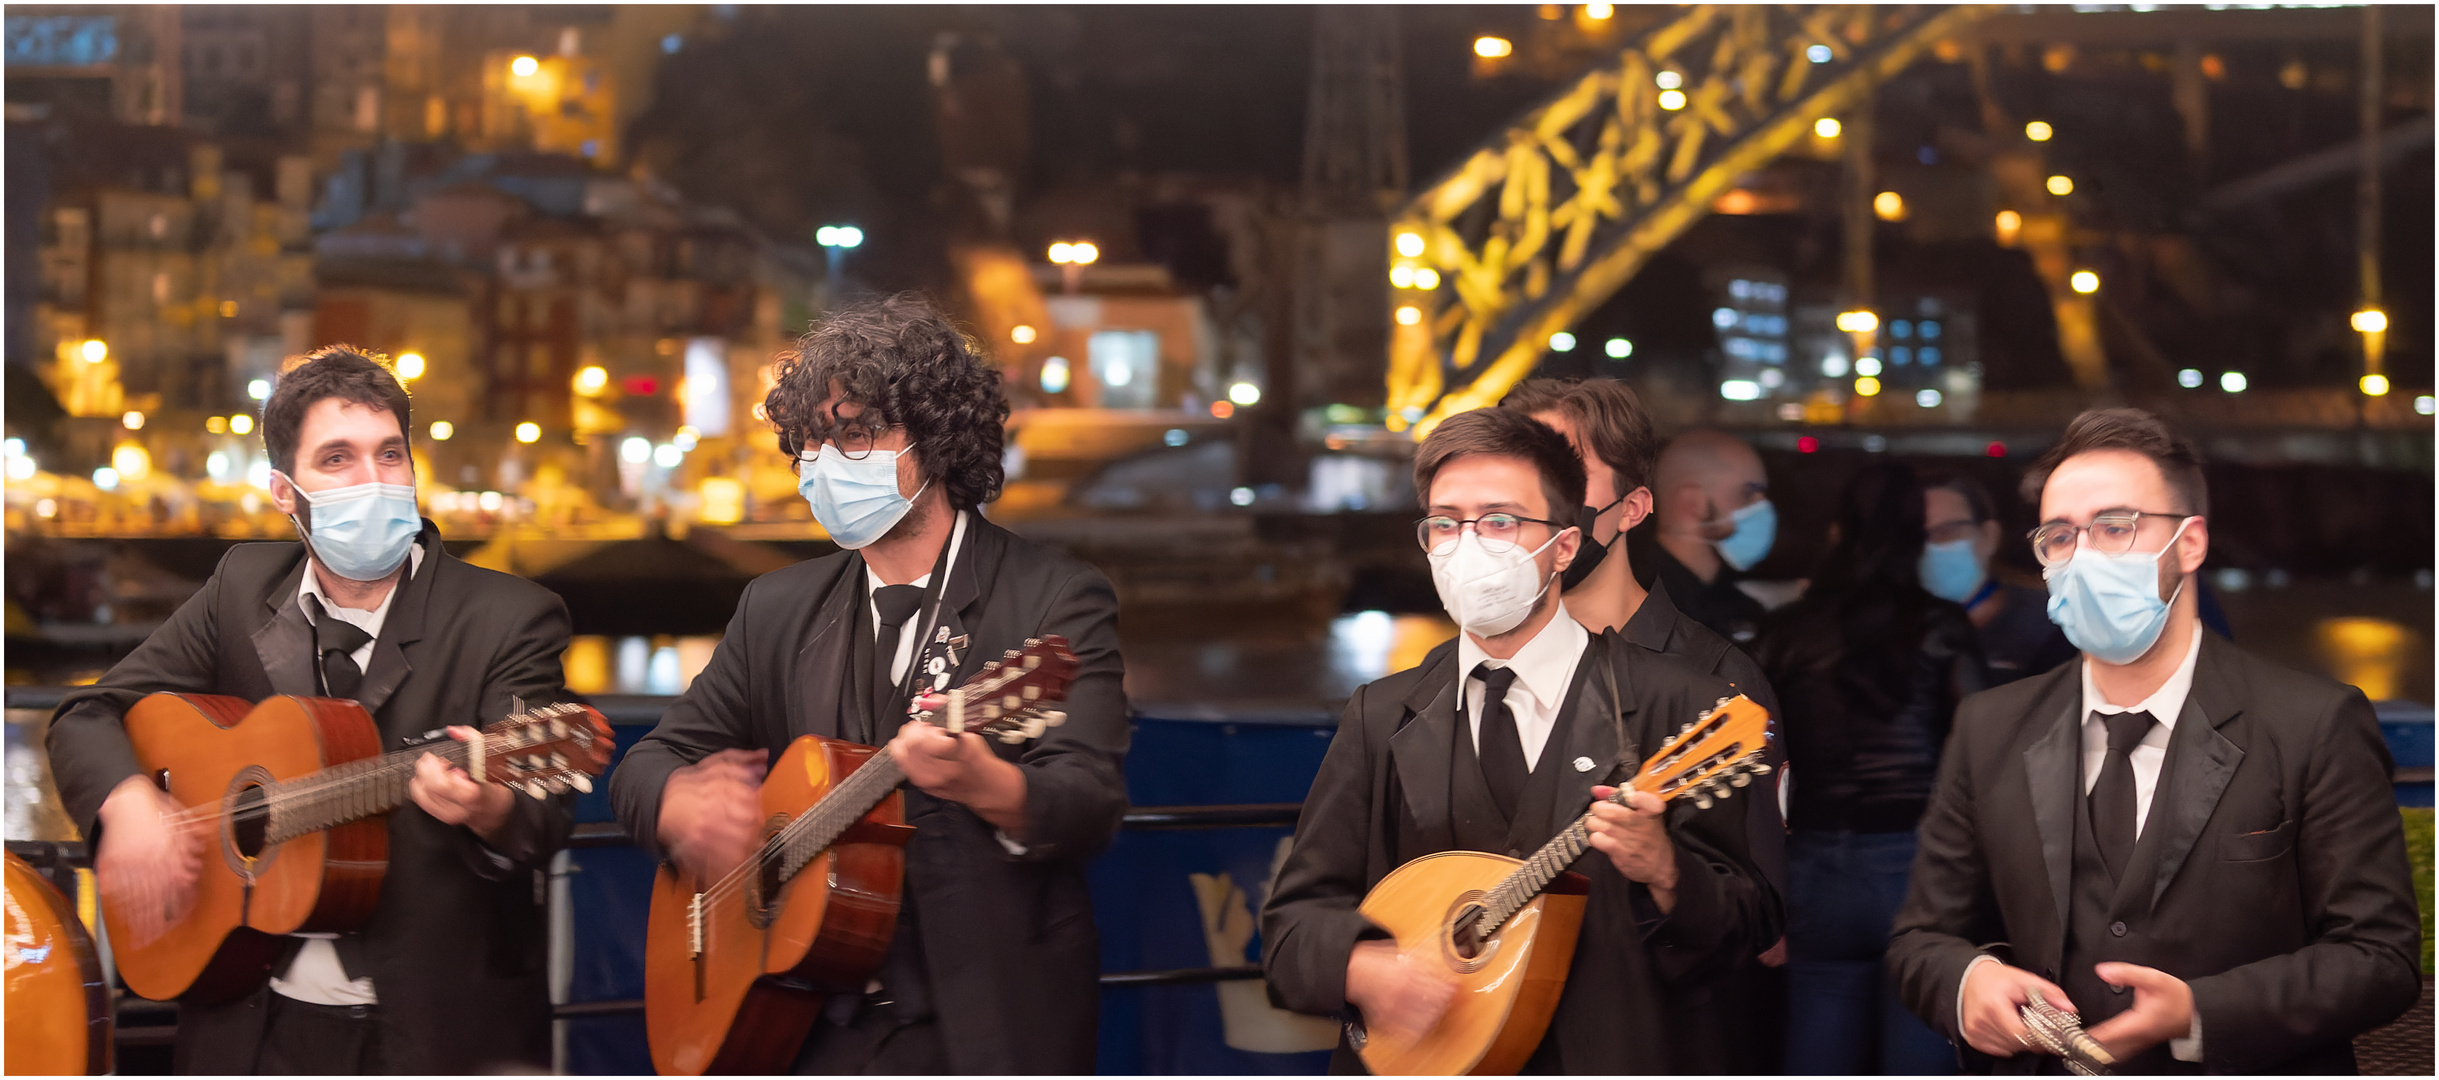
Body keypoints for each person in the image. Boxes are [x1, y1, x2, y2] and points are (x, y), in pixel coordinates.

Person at [607, 296, 1127, 1074]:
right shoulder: (776, 607)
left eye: (855, 434)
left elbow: (1087, 802)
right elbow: (650, 763)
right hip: (802, 1021)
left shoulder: (1055, 597)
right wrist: (677, 803)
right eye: (810, 441)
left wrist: (991, 785)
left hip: (981, 1022)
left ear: (938, 439)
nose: (823, 463)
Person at [44, 347, 576, 1074]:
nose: (374, 481)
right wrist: (130, 802)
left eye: (390, 455)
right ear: (284, 492)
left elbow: (542, 817)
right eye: (338, 459)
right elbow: (90, 712)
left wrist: (487, 806)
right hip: (249, 1020)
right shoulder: (240, 584)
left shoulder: (509, 615)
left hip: (432, 1028)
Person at [1888, 408, 2421, 1073]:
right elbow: (1921, 937)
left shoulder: (2312, 722)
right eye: (2058, 537)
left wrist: (2199, 1013)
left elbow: (2378, 956)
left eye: (2114, 528)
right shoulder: (1989, 726)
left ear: (2190, 544)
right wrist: (1965, 982)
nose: (2080, 557)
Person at [1261, 407, 1782, 1074]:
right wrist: (1362, 965)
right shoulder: (1382, 714)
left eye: (1500, 521)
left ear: (1564, 545)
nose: (1467, 545)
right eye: (1445, 523)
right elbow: (1290, 927)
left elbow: (1753, 928)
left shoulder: (1678, 704)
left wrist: (1666, 871)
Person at [1500, 377, 1790, 1073]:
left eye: (1565, 475)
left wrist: (1667, 872)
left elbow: (1761, 926)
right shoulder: (1464, 673)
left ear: (1631, 508)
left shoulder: (1719, 684)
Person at [1756, 461, 1990, 1075]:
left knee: (1817, 1046)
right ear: (1914, 537)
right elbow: (1982, 752)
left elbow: (1758, 761)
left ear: (1837, 531)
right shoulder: (1941, 626)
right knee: (1919, 1044)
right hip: (1918, 864)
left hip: (1814, 861)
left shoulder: (1786, 631)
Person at [1920, 471, 2076, 684]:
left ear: (1989, 536)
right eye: (1918, 536)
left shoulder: (2051, 618)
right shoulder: (1895, 627)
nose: (1932, 547)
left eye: (1948, 531)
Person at [1629, 428, 1773, 644]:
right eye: (1746, 494)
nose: (1762, 509)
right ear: (1693, 503)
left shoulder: (1738, 606)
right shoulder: (1642, 605)